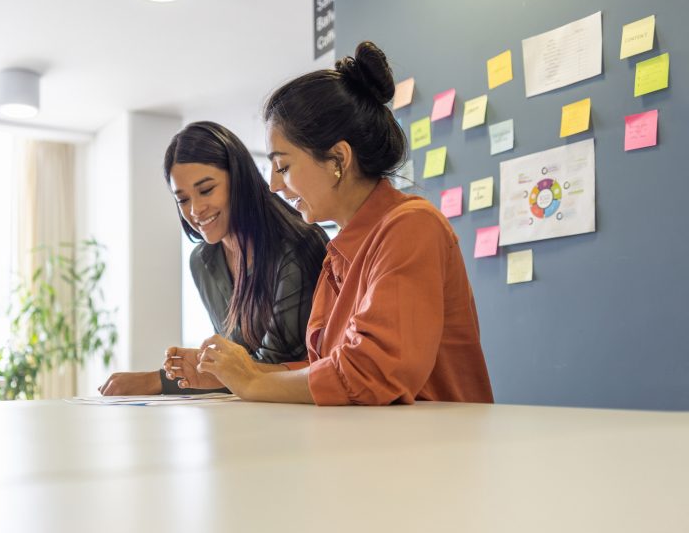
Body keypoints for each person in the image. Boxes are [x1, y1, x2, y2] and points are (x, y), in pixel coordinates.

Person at [190, 41, 494, 405]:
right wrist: (232, 373)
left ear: (338, 159)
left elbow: (369, 374)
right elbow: (326, 369)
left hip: (433, 453)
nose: (273, 185)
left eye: (283, 166)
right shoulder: (339, 253)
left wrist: (251, 383)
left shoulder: (413, 227)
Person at [98, 121, 329, 395]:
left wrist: (160, 380)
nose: (195, 209)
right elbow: (237, 364)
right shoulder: (203, 261)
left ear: (239, 179)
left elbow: (272, 365)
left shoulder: (297, 246)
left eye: (206, 190)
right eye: (182, 199)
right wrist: (197, 366)